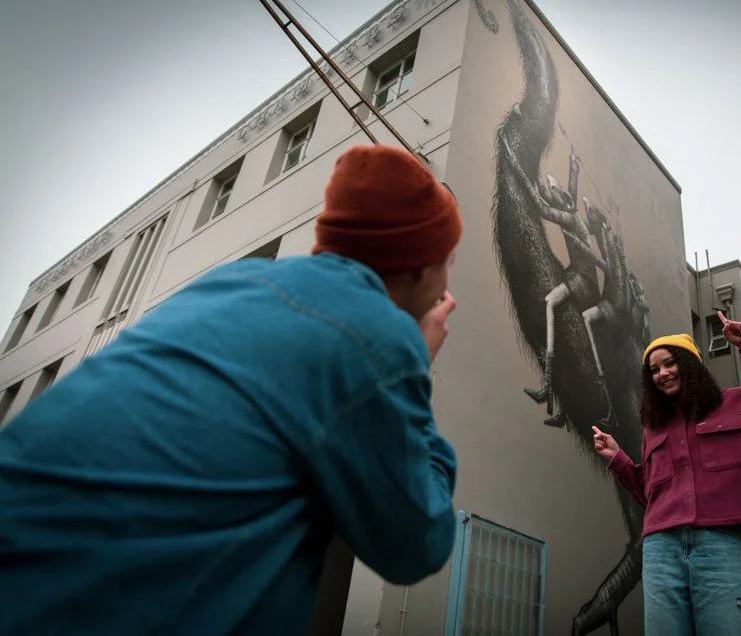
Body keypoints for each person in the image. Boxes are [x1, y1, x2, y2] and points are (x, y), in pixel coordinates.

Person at [0, 144, 463, 635]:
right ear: (420, 265)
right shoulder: (378, 339)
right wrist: (416, 359)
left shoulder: (233, 280)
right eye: (448, 261)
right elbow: (415, 544)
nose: (446, 281)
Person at [592, 312, 741, 636]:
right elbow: (652, 495)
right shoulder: (653, 430)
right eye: (654, 370)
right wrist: (618, 460)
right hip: (660, 550)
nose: (662, 373)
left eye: (669, 363)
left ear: (690, 364)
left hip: (721, 546)